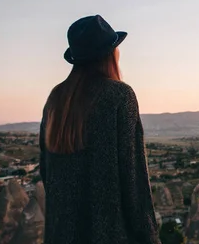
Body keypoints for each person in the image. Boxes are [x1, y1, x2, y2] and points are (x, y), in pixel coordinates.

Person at [40, 15, 161, 244]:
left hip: (61, 234)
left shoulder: (56, 98)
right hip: (108, 234)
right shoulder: (119, 95)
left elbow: (47, 171)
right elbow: (133, 177)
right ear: (110, 54)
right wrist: (150, 237)